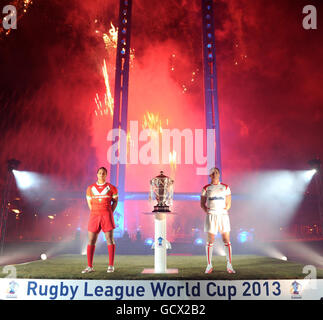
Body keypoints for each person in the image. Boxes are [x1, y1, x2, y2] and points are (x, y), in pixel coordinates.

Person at [82, 167, 118, 273]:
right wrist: (95, 211)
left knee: (109, 239)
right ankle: (89, 266)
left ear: (106, 175)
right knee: (91, 240)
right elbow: (89, 203)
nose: (101, 174)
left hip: (107, 215)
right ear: (97, 174)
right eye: (100, 173)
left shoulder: (112, 188)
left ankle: (111, 265)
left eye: (103, 173)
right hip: (94, 215)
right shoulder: (90, 188)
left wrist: (109, 211)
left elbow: (115, 201)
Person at [200, 167, 235, 274]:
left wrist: (223, 210)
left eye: (216, 172)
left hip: (223, 216)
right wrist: (209, 211)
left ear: (219, 174)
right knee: (210, 240)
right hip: (211, 215)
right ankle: (209, 265)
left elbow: (228, 203)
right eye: (212, 173)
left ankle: (229, 265)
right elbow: (202, 204)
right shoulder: (206, 188)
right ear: (210, 176)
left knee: (226, 240)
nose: (215, 174)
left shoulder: (225, 187)